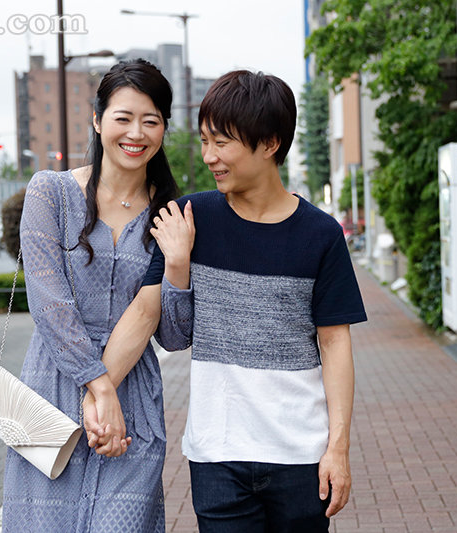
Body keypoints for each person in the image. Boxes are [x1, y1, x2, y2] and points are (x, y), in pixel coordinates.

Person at [90, 70, 368, 531]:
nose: (209, 156)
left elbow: (335, 344)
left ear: (270, 143)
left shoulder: (320, 234)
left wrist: (338, 447)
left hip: (300, 454)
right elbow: (146, 314)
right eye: (204, 141)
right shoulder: (189, 218)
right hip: (217, 455)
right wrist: (98, 388)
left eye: (221, 143)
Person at [2, 59, 180, 533]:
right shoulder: (51, 193)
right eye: (123, 117)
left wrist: (179, 267)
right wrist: (99, 388)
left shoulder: (171, 212)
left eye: (150, 120)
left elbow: (172, 332)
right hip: (52, 389)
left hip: (135, 399)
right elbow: (49, 304)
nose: (136, 133)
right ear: (98, 120)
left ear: (164, 127)